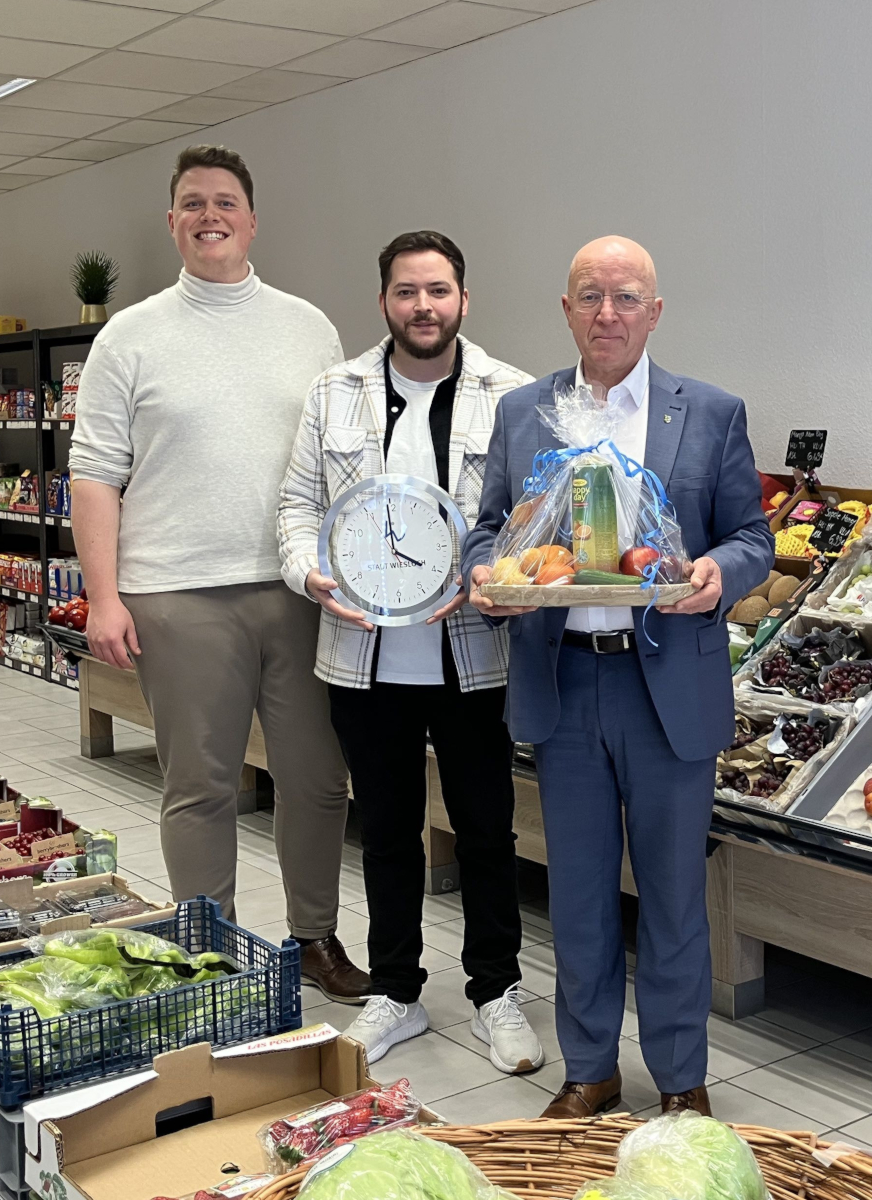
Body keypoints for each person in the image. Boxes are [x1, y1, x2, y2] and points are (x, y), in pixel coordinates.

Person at [460, 236, 774, 1116]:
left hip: (667, 683)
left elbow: (754, 537)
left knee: (675, 895)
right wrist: (488, 575)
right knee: (580, 890)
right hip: (565, 684)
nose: (608, 313)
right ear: (565, 310)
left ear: (655, 311)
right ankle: (589, 1068)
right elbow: (490, 531)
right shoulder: (525, 413)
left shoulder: (709, 412)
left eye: (626, 296)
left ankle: (681, 1082)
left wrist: (718, 577)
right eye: (590, 296)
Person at [69, 144, 369, 1004]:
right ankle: (210, 953)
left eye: (226, 201)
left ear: (251, 219)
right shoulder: (129, 335)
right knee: (200, 786)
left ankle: (313, 938)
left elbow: (338, 460)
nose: (211, 215)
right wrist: (103, 597)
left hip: (298, 591)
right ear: (172, 222)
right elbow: (95, 473)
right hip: (176, 595)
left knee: (316, 781)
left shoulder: (310, 326)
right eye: (193, 202)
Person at [278, 231, 544, 1070]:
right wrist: (311, 575)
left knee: (485, 832)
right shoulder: (335, 393)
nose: (422, 307)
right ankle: (396, 991)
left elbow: (534, 519)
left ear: (464, 299)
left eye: (437, 291)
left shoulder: (512, 395)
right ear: (384, 301)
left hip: (474, 655)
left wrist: (498, 573)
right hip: (364, 660)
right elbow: (294, 507)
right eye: (406, 292)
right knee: (386, 830)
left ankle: (496, 991)